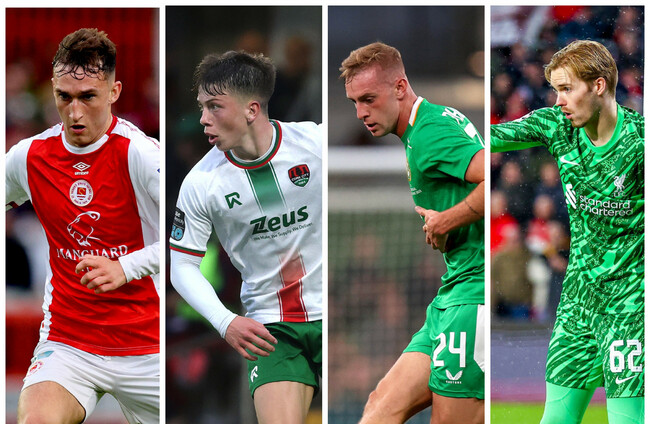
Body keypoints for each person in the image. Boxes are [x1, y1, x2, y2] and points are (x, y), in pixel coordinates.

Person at [5, 28, 160, 424]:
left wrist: (126, 267)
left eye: (88, 97)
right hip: (69, 343)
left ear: (114, 92)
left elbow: (192, 235)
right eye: (65, 97)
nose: (74, 112)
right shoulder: (28, 157)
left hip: (148, 346)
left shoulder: (141, 155)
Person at [491, 40, 644, 424]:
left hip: (630, 308)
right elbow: (486, 138)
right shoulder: (557, 126)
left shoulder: (639, 144)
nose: (558, 100)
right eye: (555, 89)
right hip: (577, 306)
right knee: (555, 419)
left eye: (566, 88)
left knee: (625, 418)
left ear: (598, 85)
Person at [169, 51, 322, 423]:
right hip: (271, 328)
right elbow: (181, 267)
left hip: (332, 313)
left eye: (214, 107)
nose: (203, 118)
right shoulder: (201, 183)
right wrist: (226, 322)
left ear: (252, 110)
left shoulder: (314, 144)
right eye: (202, 107)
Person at [341, 42, 485, 424]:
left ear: (400, 87)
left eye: (369, 99)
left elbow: (493, 176)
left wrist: (447, 220)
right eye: (355, 102)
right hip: (450, 295)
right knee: (380, 407)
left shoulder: (429, 133)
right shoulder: (426, 125)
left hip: (473, 294)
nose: (361, 112)